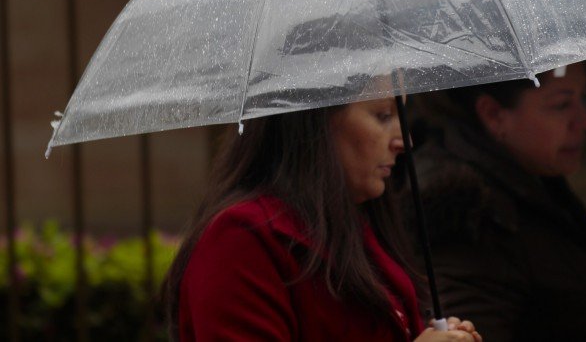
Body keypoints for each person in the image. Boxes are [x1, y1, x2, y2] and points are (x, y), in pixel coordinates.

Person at [163, 94, 483, 341]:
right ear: (315, 119)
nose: (404, 140)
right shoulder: (241, 239)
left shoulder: (360, 226)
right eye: (382, 115)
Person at [411, 63, 586, 341]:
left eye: (584, 97)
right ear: (493, 114)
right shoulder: (467, 213)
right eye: (561, 104)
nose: (584, 120)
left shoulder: (535, 182)